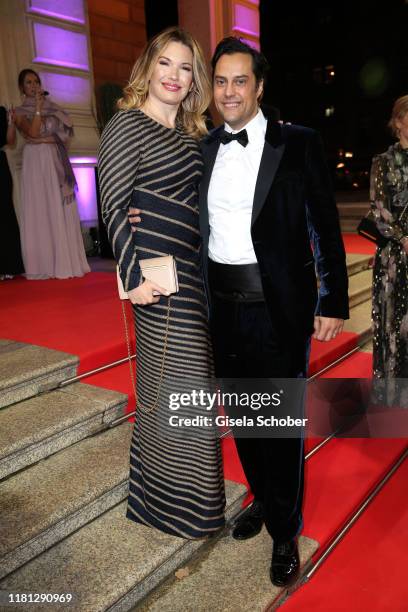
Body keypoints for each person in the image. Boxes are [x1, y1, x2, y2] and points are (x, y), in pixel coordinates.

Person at [129, 36, 349, 585]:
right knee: (245, 421)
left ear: (259, 86)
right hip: (219, 309)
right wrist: (135, 220)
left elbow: (325, 225)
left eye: (239, 81)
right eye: (220, 81)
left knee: (279, 426)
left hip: (280, 309)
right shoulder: (200, 149)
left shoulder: (298, 143)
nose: (228, 92)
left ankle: (284, 528)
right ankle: (260, 499)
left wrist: (333, 299)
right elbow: (170, 208)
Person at [98, 27, 225, 539]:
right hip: (156, 279)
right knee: (184, 386)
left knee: (176, 388)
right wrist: (131, 279)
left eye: (185, 67)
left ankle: (164, 500)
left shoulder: (192, 135)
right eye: (166, 64)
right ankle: (185, 506)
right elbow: (112, 203)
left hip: (193, 276)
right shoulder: (127, 124)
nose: (174, 76)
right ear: (148, 68)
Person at [14, 69, 90, 279]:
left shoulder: (55, 108)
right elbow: (33, 133)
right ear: (22, 87)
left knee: (59, 206)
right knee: (41, 207)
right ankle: (44, 264)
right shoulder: (19, 112)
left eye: (36, 81)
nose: (33, 85)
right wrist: (38, 109)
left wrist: (43, 139)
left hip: (55, 160)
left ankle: (65, 261)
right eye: (28, 82)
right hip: (35, 163)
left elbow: (63, 138)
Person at [370, 95, 408, 386]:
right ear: (398, 122)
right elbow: (379, 209)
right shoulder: (383, 162)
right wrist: (403, 238)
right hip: (394, 257)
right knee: (393, 322)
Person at [0, 105, 24, 279]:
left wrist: (10, 123)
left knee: (4, 212)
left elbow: (10, 141)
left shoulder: (1, 111)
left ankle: (9, 266)